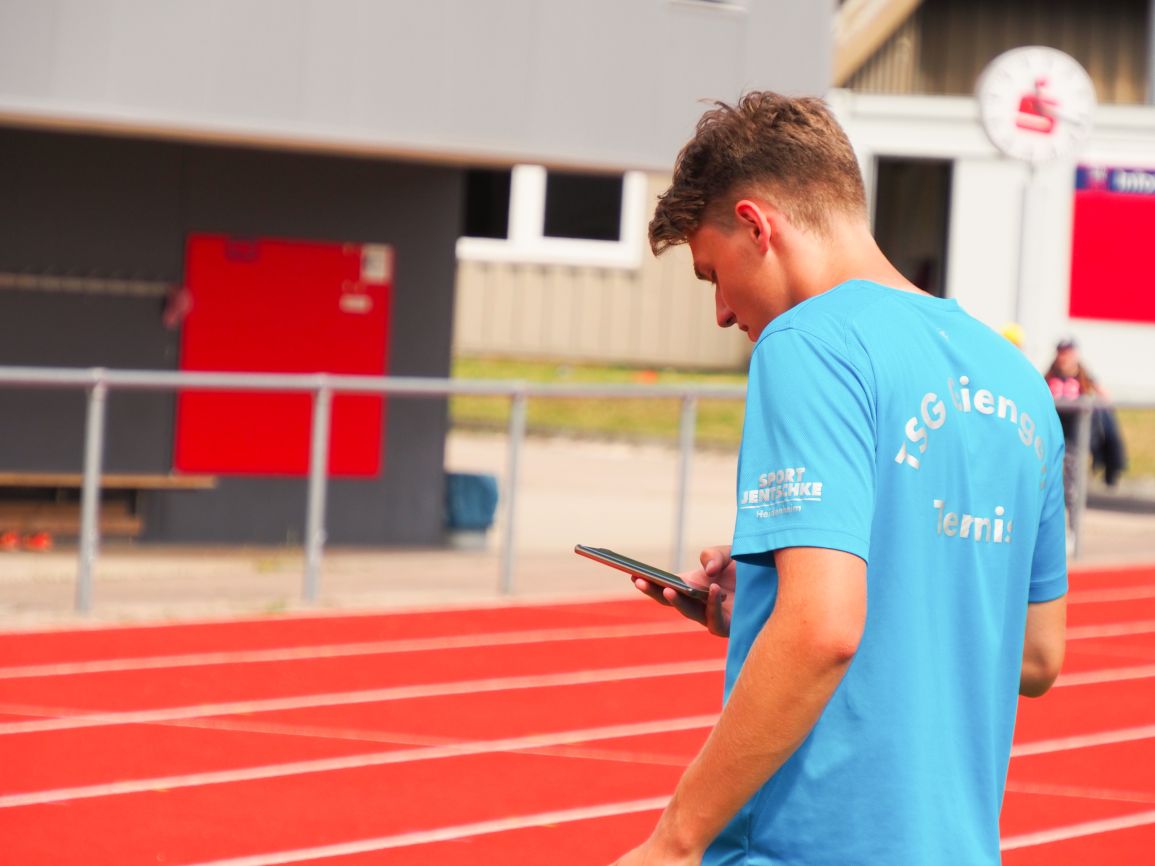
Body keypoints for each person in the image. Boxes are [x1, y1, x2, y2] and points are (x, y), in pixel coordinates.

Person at [610, 92, 1068, 866]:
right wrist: (766, 603)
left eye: (712, 273)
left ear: (757, 225)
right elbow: (1035, 656)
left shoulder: (807, 344)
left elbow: (823, 629)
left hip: (807, 846)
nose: (720, 311)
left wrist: (674, 841)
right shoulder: (1015, 377)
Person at [1044, 338, 1126, 520]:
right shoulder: (1049, 376)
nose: (1064, 357)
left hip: (1075, 435)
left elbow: (1105, 397)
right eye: (1061, 353)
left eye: (1067, 353)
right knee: (1050, 478)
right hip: (1054, 432)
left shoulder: (1084, 377)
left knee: (1072, 480)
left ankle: (1073, 522)